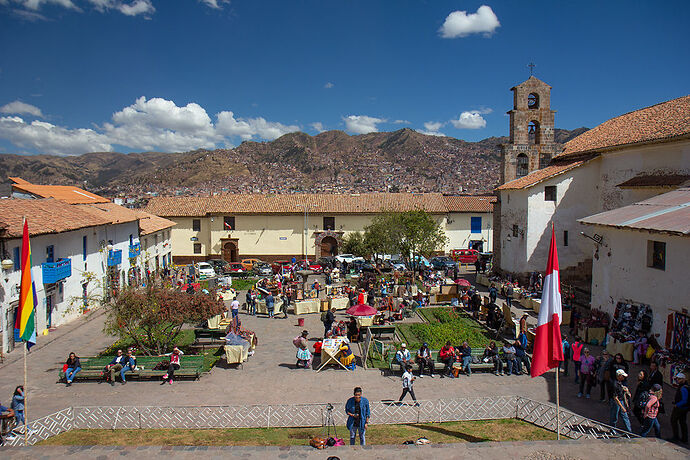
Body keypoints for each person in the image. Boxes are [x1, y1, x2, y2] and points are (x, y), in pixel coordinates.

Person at [669, 372, 689, 444]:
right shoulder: (684, 386)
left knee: (674, 420)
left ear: (683, 379)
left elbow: (684, 400)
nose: (677, 380)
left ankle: (676, 437)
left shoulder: (683, 388)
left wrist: (677, 405)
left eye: (679, 379)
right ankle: (684, 438)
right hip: (684, 408)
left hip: (680, 408)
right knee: (682, 422)